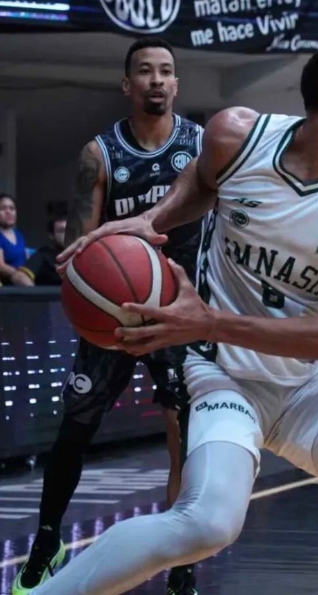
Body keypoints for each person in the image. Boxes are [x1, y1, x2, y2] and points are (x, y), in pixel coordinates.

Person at [36, 40, 318, 595]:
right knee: (208, 523)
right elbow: (202, 182)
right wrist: (155, 218)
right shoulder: (239, 137)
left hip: (313, 381)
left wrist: (211, 322)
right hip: (223, 375)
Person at [13, 37, 203, 595]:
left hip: (177, 313)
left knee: (183, 436)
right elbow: (77, 253)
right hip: (114, 317)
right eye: (145, 71)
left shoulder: (199, 147)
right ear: (127, 84)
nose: (156, 80)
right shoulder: (99, 154)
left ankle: (183, 564)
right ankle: (47, 542)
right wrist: (92, 303)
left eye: (165, 71)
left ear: (176, 83)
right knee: (75, 428)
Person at [0, 193, 28, 283]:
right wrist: (19, 275)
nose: (8, 212)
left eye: (12, 208)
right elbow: (1, 266)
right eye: (3, 208)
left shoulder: (19, 235)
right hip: (7, 285)